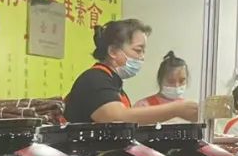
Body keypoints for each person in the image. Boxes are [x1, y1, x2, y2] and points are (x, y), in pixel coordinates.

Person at [64, 19, 199, 124]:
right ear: (113, 51)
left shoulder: (114, 84)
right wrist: (176, 109)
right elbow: (117, 119)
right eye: (138, 50)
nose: (142, 57)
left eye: (143, 52)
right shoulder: (95, 79)